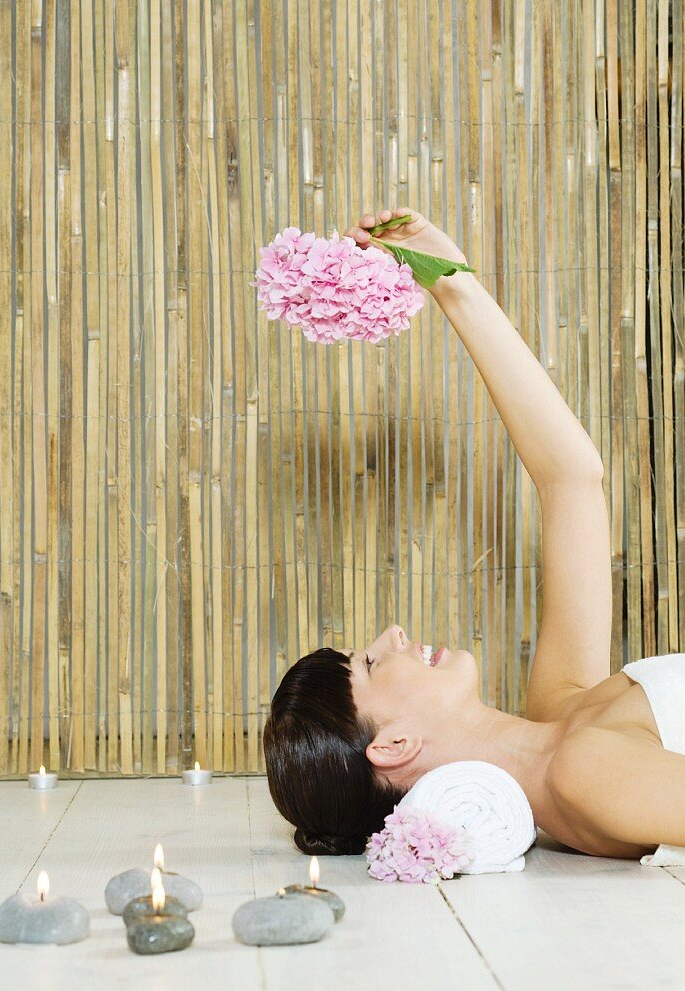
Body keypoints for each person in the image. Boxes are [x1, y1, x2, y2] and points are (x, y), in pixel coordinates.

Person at [264, 207, 683, 862]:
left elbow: (571, 480)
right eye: (370, 663)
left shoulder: (559, 712)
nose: (394, 635)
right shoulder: (582, 774)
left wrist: (448, 279)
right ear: (393, 746)